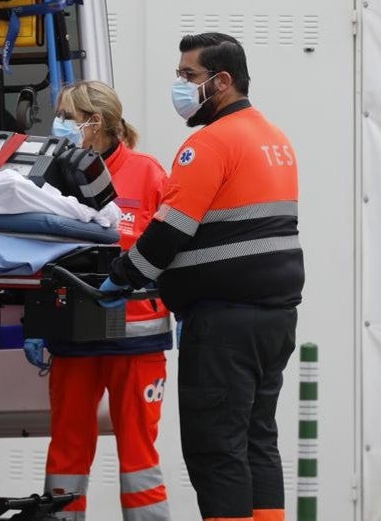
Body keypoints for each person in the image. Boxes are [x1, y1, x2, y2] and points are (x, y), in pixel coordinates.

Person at [102, 33, 304, 521]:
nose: (180, 85)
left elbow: (169, 229)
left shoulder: (209, 143)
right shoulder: (273, 138)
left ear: (223, 81)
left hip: (224, 325)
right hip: (274, 320)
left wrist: (122, 277)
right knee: (257, 441)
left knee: (217, 451)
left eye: (188, 76)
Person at [23, 81, 173, 521]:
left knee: (139, 458)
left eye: (69, 117)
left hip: (138, 339)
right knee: (66, 450)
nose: (60, 125)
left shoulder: (148, 174)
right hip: (73, 335)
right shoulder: (51, 173)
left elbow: (174, 249)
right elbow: (36, 252)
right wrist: (36, 325)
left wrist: (183, 305)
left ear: (98, 123)